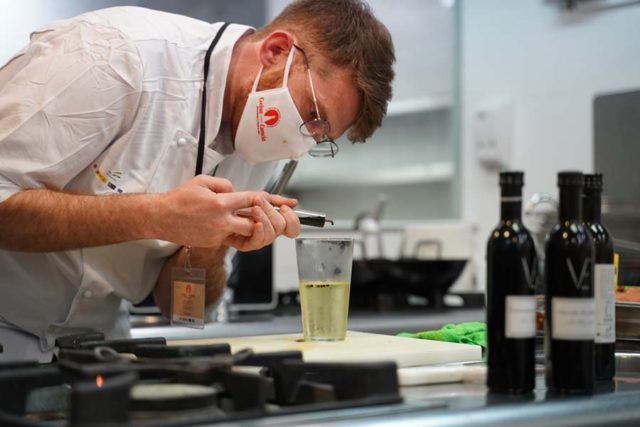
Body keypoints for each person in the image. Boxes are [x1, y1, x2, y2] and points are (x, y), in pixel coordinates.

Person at [0, 0, 395, 361]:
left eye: (320, 137)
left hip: (102, 348)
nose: (301, 140)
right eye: (312, 113)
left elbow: (180, 308)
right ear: (275, 51)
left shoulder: (263, 153)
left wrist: (210, 242)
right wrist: (156, 216)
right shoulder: (116, 53)